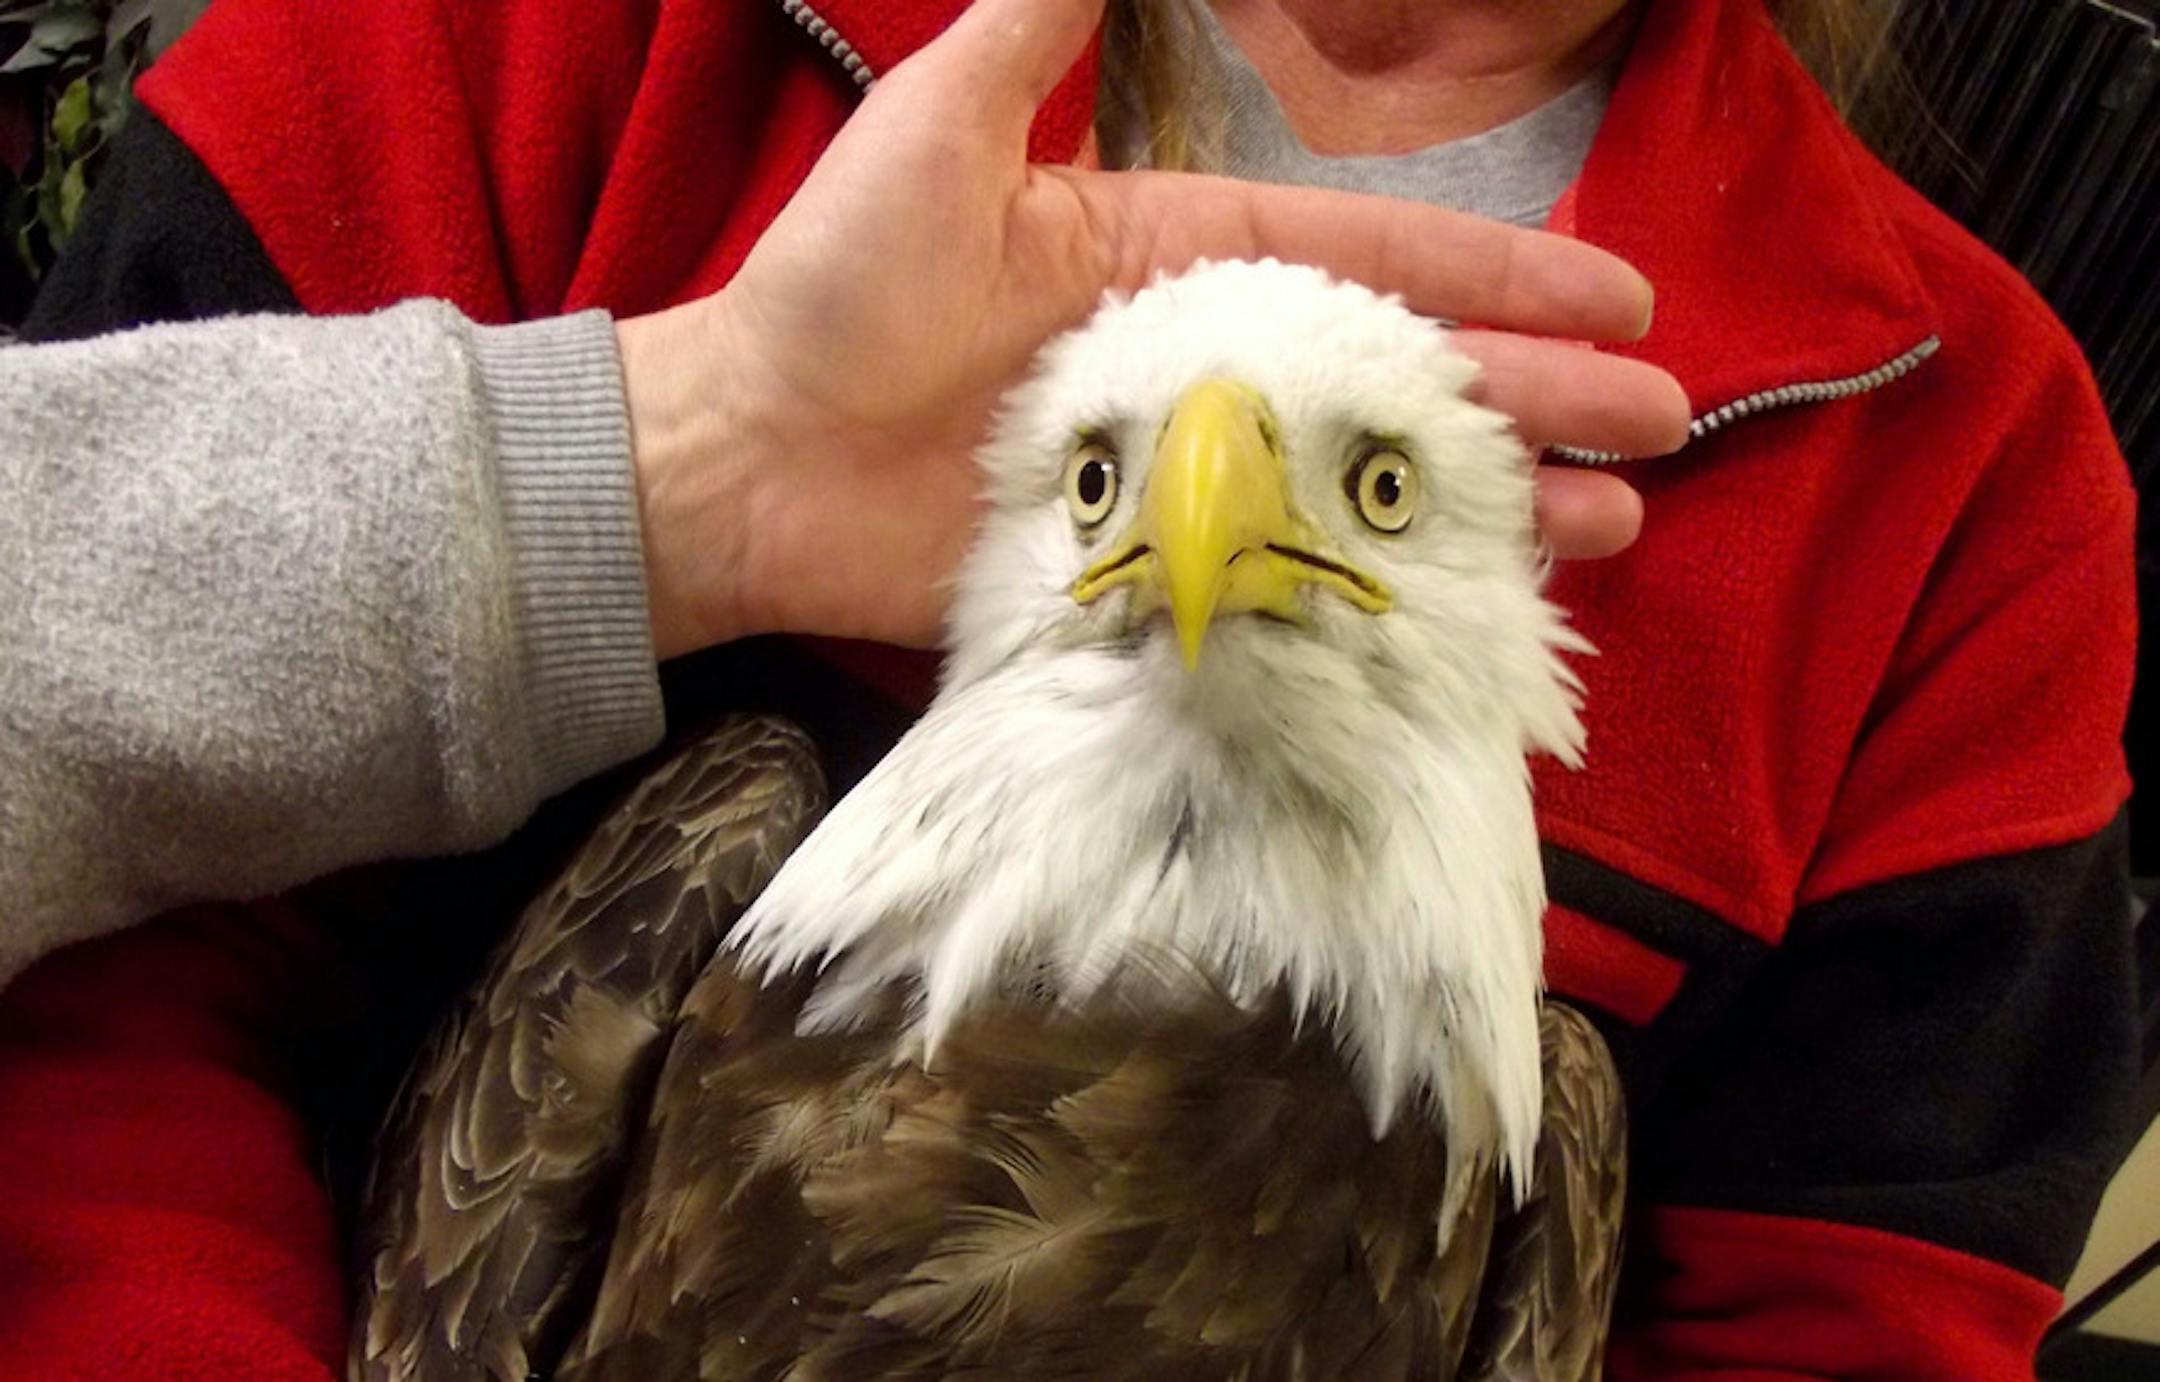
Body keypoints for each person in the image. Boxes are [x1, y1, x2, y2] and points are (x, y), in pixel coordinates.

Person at [0, 1, 2137, 1379]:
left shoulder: (1976, 474)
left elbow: (1843, 1334)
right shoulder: (512, 35)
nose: (1200, 522)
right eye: (1109, 477)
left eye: (1373, 489)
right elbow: (110, 960)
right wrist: (698, 458)